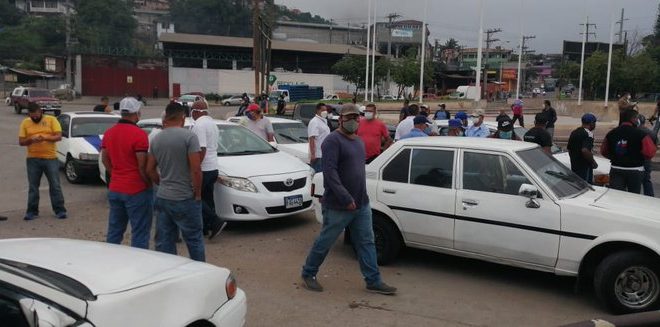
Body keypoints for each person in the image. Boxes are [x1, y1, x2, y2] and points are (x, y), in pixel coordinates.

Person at [301, 104, 397, 295]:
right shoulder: (332, 141)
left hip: (361, 203)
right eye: (349, 117)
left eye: (356, 117)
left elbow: (358, 171)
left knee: (367, 242)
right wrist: (345, 198)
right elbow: (330, 174)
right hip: (339, 205)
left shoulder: (358, 141)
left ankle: (373, 280)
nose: (353, 120)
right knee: (325, 241)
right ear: (340, 120)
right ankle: (308, 273)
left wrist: (362, 197)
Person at [147, 103, 205, 261]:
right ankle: (199, 274)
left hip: (164, 197)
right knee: (194, 239)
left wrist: (162, 183)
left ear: (166, 117)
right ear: (183, 118)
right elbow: (196, 169)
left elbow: (150, 169)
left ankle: (170, 274)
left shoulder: (157, 138)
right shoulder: (189, 137)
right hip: (185, 197)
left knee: (164, 241)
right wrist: (198, 193)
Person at [100, 97, 152, 249]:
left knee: (115, 231)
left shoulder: (109, 133)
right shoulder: (139, 134)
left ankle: (111, 261)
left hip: (116, 187)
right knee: (140, 232)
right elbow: (142, 166)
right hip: (136, 189)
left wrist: (116, 173)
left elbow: (105, 160)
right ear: (136, 113)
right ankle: (137, 266)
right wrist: (148, 183)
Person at [18, 103, 67, 220]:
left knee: (55, 185)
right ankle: (32, 211)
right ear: (29, 114)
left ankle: (60, 210)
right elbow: (21, 141)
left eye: (36, 115)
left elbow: (58, 136)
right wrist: (30, 139)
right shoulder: (25, 122)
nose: (35, 118)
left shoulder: (51, 120)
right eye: (32, 116)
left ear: (40, 112)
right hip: (32, 159)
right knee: (33, 187)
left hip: (50, 158)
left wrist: (45, 138)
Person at [191, 100, 227, 239]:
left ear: (196, 111)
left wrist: (195, 168)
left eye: (192, 111)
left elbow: (202, 149)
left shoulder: (199, 125)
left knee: (195, 197)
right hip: (213, 167)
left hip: (204, 168)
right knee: (207, 198)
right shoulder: (212, 123)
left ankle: (215, 221)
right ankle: (207, 228)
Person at [600, 109, 657, 194]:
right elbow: (649, 153)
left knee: (615, 195)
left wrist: (615, 157)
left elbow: (604, 151)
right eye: (636, 118)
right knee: (633, 197)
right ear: (633, 119)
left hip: (616, 169)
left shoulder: (612, 133)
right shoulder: (641, 134)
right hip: (635, 170)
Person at [567, 114, 599, 184]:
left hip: (575, 167)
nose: (595, 125)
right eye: (594, 122)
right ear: (591, 123)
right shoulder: (589, 134)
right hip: (585, 168)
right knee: (586, 188)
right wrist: (593, 162)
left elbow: (569, 149)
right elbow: (585, 150)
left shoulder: (574, 132)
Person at [638, 115, 658, 197]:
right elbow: (656, 145)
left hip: (637, 159)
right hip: (647, 159)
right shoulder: (651, 133)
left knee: (635, 181)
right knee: (646, 180)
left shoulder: (636, 131)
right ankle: (650, 198)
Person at [308, 103, 331, 173]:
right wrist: (313, 155)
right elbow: (312, 138)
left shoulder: (323, 121)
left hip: (324, 154)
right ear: (317, 110)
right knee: (318, 176)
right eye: (323, 110)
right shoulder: (314, 122)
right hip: (318, 155)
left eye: (326, 110)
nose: (325, 112)